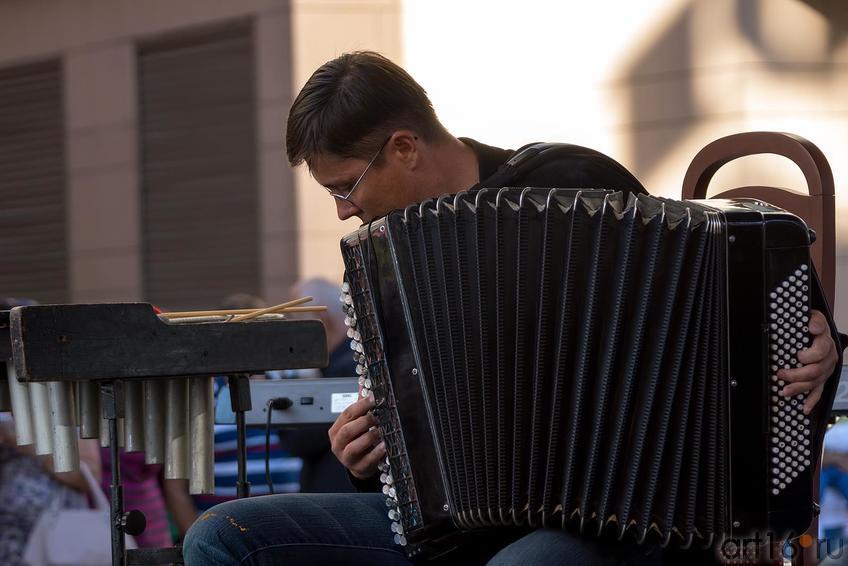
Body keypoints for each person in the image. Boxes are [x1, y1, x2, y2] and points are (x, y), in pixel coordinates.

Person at [184, 51, 841, 566]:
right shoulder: (388, 265)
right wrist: (369, 459)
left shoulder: (570, 184)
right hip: (449, 532)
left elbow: (709, 280)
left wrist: (809, 335)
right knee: (224, 535)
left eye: (346, 186)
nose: (343, 211)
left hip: (630, 526)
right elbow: (412, 440)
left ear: (406, 148)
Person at [192, 294, 303, 512]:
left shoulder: (291, 379)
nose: (248, 345)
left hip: (294, 517)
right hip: (221, 522)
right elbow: (176, 483)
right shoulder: (203, 393)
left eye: (256, 335)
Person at [278, 277, 358, 493]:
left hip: (340, 504)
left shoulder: (346, 370)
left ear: (321, 320)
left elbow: (299, 440)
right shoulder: (347, 363)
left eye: (297, 322)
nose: (293, 336)